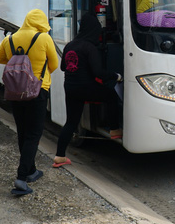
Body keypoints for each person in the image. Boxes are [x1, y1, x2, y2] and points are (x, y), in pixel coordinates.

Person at [0, 9, 58, 196]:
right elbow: (54, 65)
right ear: (42, 22)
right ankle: (21, 178)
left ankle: (31, 170)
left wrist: (16, 60)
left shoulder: (10, 39)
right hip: (38, 91)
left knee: (23, 132)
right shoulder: (44, 38)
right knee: (34, 134)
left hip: (15, 92)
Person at [53, 13, 123, 168]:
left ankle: (59, 156)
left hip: (70, 88)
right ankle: (114, 129)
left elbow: (64, 67)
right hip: (86, 87)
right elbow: (98, 72)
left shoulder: (70, 45)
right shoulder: (89, 48)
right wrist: (116, 76)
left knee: (71, 123)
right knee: (110, 95)